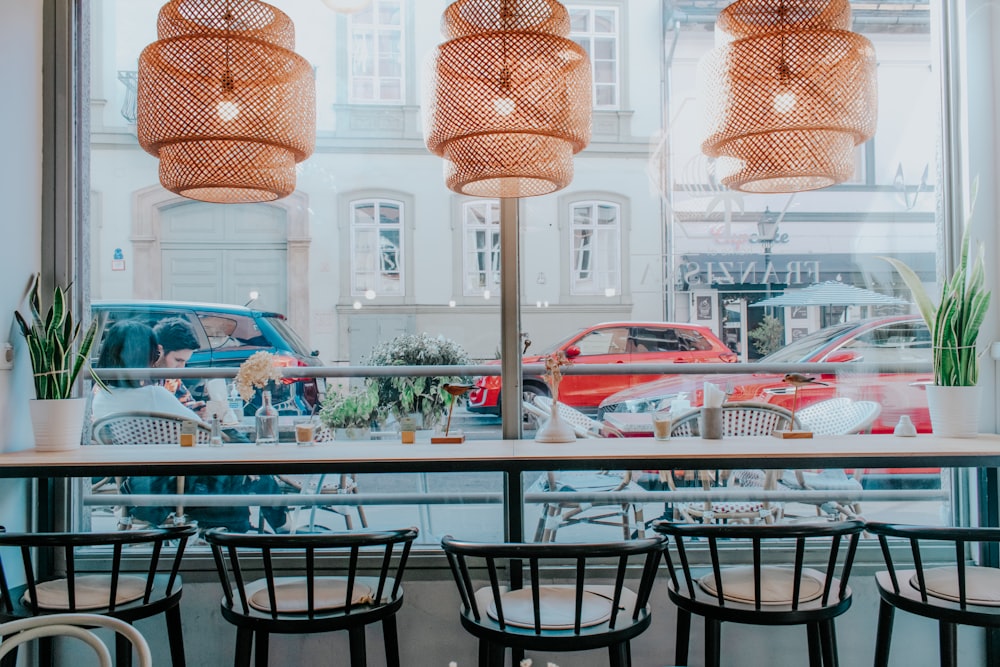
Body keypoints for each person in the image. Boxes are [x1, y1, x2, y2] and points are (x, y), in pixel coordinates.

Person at [93, 320, 287, 532]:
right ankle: (279, 523)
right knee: (239, 448)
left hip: (136, 490)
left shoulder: (101, 397)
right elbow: (203, 429)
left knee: (242, 459)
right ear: (145, 355)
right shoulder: (154, 395)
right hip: (176, 485)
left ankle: (260, 517)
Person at [152, 317, 205, 415]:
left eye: (185, 362)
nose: (181, 367)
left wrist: (195, 410)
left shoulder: (170, 377)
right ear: (158, 350)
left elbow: (185, 401)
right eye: (178, 360)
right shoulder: (140, 376)